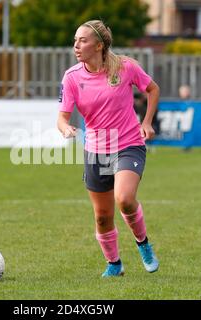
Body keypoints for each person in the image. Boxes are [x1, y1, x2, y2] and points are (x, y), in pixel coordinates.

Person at [57, 20, 160, 277]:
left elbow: (152, 89)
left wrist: (146, 122)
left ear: (99, 45)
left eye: (83, 40)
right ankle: (114, 264)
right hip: (95, 151)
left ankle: (143, 243)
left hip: (128, 145)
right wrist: (66, 128)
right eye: (75, 41)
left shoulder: (125, 67)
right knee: (102, 217)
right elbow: (61, 117)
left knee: (124, 199)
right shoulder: (72, 77)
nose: (76, 46)